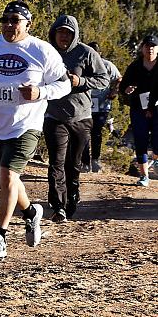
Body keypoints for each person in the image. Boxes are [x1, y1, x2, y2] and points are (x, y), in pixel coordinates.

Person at [0, 1, 70, 259]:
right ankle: (31, 212)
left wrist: (41, 92)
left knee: (7, 177)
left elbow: (63, 85)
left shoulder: (42, 50)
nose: (9, 24)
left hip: (27, 125)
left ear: (28, 23)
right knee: (8, 179)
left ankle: (0, 237)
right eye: (5, 19)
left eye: (15, 20)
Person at [42, 14, 111, 221]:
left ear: (75, 35)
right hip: (54, 115)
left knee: (73, 163)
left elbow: (103, 79)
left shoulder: (86, 53)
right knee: (56, 162)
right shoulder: (46, 52)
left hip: (81, 116)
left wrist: (80, 81)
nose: (63, 36)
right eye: (60, 32)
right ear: (53, 33)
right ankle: (58, 206)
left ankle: (73, 193)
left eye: (68, 33)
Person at [119, 32, 158, 187]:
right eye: (147, 46)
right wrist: (127, 89)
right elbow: (123, 87)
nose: (150, 49)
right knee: (140, 141)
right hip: (138, 109)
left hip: (157, 109)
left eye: (153, 46)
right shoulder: (135, 66)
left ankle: (155, 159)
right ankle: (144, 176)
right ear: (142, 48)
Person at [88, 57, 120, 172]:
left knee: (96, 131)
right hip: (85, 103)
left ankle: (95, 160)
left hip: (102, 104)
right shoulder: (83, 63)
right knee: (83, 132)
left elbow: (119, 79)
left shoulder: (107, 65)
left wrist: (114, 91)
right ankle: (84, 161)